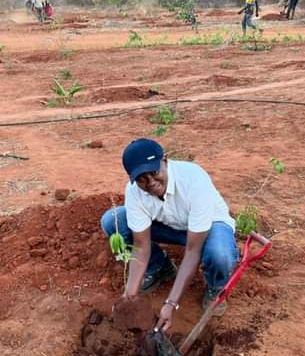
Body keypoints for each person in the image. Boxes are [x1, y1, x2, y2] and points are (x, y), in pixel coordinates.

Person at [101, 139, 239, 332]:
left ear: (165, 160)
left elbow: (193, 250)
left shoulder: (193, 179)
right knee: (113, 220)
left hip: (209, 228)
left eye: (154, 172)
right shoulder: (134, 192)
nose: (150, 183)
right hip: (172, 227)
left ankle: (215, 286)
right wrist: (129, 297)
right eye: (141, 179)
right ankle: (160, 267)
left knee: (220, 254)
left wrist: (170, 304)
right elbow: (140, 247)